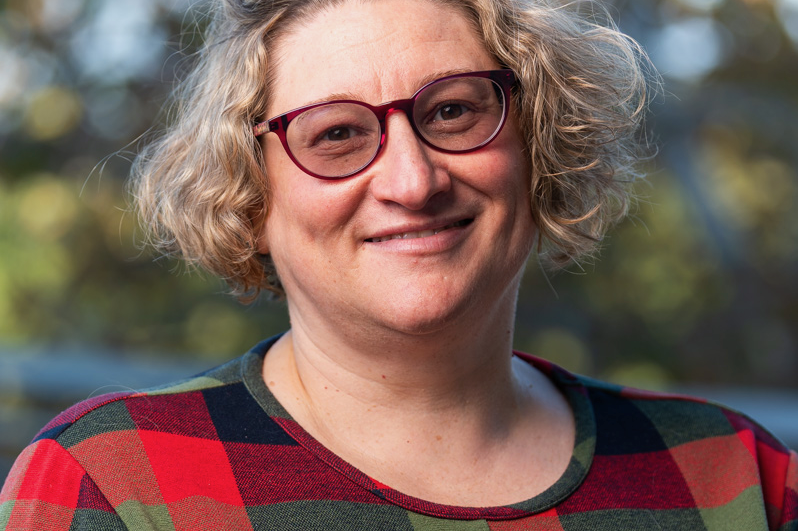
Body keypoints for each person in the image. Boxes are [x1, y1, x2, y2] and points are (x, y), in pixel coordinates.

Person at [1, 0, 796, 529]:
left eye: (453, 110)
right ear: (253, 196)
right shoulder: (115, 480)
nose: (412, 180)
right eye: (337, 134)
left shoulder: (734, 478)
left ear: (538, 145)